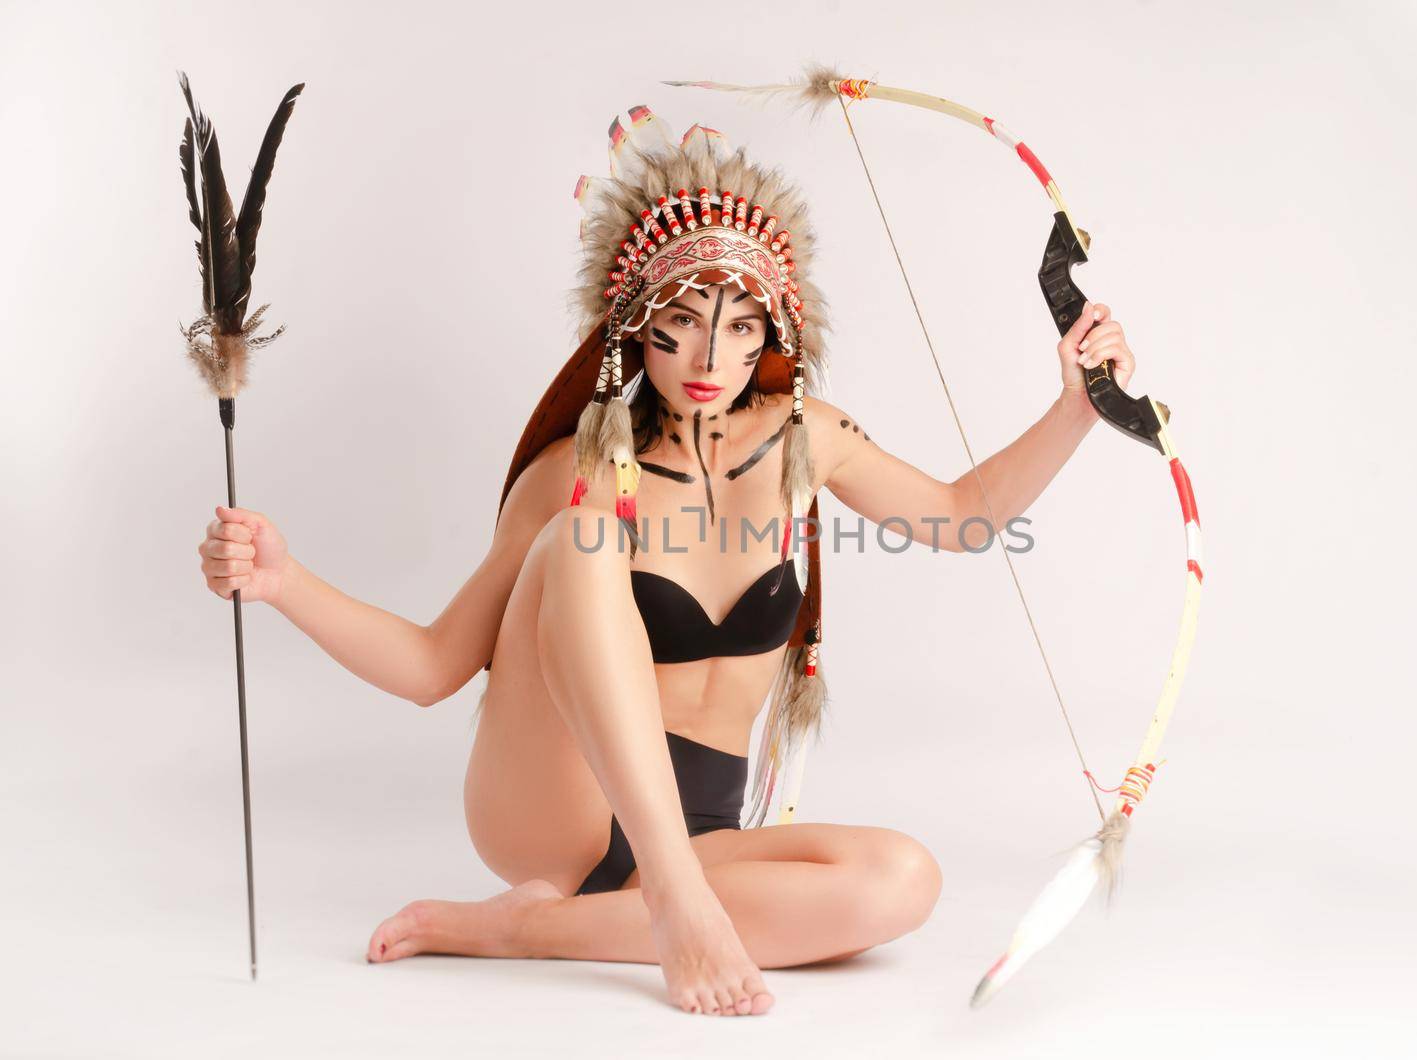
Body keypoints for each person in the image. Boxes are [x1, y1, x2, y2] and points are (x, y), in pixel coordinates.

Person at [194, 107, 1134, 1017]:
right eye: (677, 322)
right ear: (634, 327)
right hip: (556, 810)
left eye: (737, 325)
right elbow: (436, 666)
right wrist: (284, 581)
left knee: (903, 883)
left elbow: (966, 517)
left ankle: (536, 932)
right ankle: (671, 907)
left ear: (773, 331)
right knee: (583, 529)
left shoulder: (810, 439)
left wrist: (1078, 410)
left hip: (699, 833)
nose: (706, 355)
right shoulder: (577, 470)